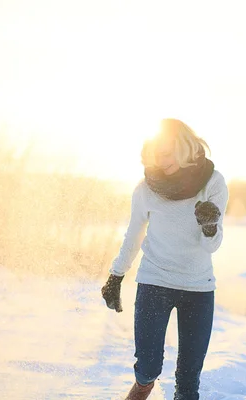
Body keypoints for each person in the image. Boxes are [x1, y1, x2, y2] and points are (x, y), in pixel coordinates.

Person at [101, 118, 229, 400]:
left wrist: (209, 226)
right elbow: (133, 236)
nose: (162, 161)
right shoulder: (146, 188)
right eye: (157, 155)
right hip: (154, 283)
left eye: (168, 153)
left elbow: (213, 246)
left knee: (187, 381)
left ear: (183, 149)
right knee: (147, 370)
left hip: (198, 289)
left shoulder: (214, 183)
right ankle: (142, 388)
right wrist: (116, 275)